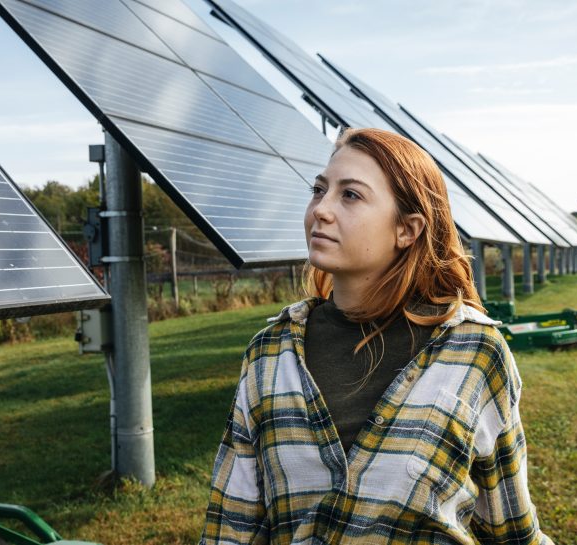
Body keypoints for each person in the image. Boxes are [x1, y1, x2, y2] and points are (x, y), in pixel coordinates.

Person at [200, 128, 553, 545]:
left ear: (407, 229)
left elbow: (511, 530)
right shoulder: (270, 352)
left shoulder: (474, 351)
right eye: (319, 190)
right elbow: (232, 527)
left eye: (350, 195)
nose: (321, 210)